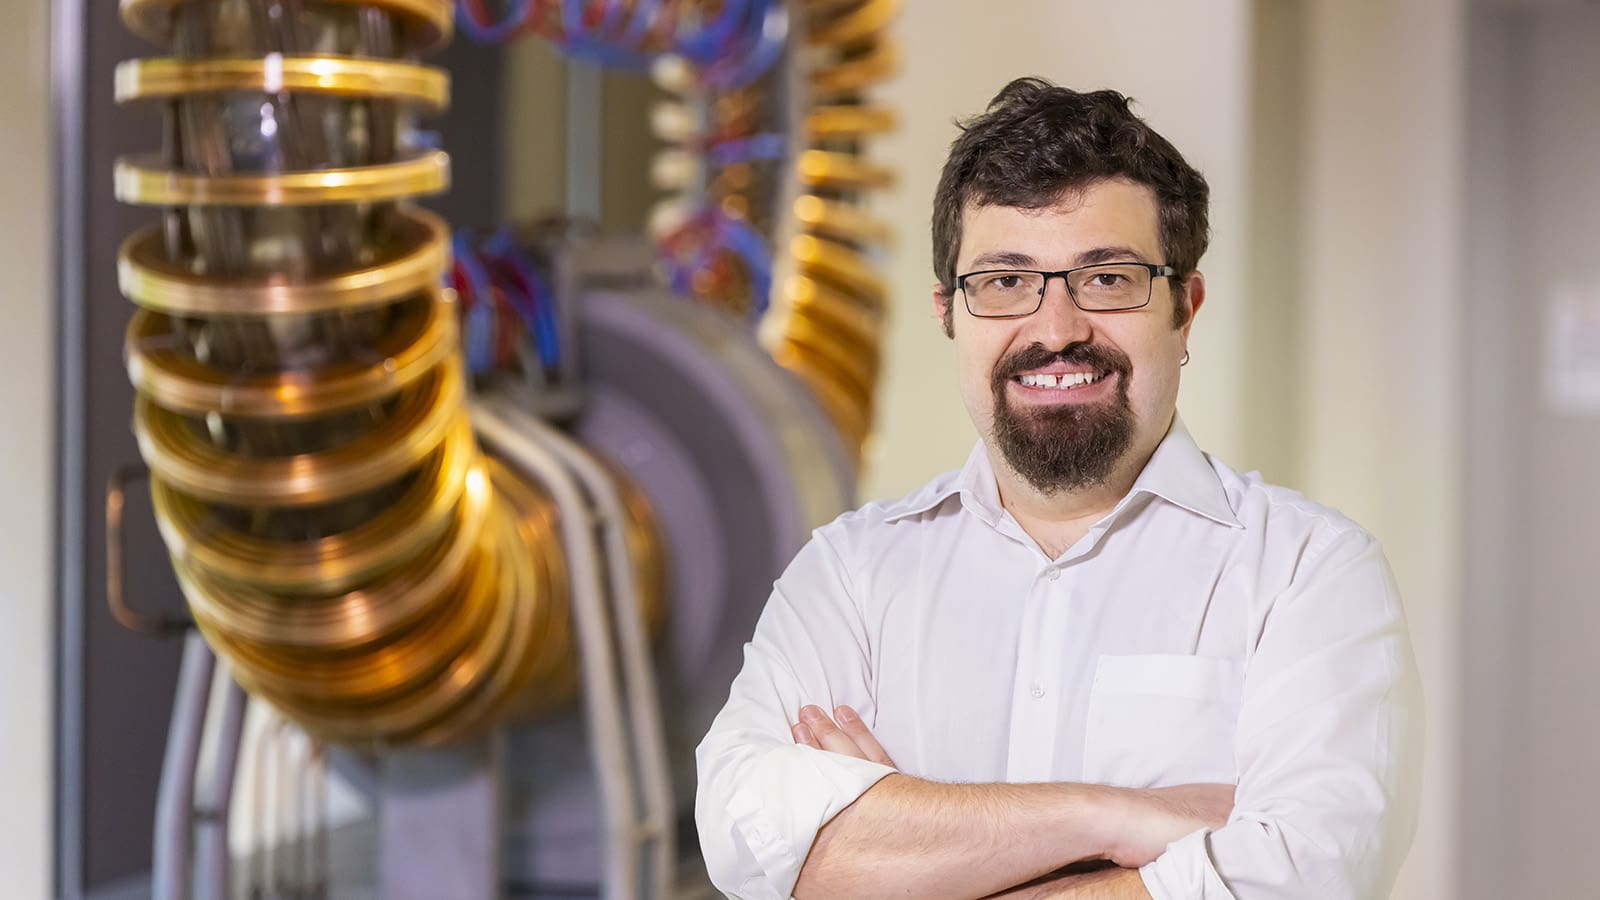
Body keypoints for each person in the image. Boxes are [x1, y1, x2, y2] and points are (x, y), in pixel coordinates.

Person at [694, 77, 1423, 900]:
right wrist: (1111, 820)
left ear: (1185, 306)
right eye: (1005, 282)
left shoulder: (1309, 573)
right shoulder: (849, 576)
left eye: (1107, 279)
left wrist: (909, 850)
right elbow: (746, 842)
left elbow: (1308, 879)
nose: (1056, 329)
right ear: (949, 314)